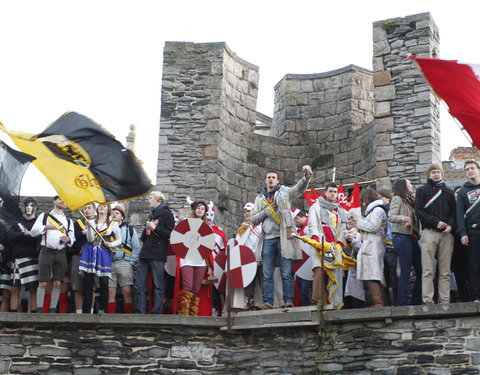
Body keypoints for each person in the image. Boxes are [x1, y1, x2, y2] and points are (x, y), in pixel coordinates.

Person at [252, 166, 313, 310]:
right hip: (267, 239)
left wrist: (306, 178)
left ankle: (289, 300)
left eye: (273, 177)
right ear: (265, 180)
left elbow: (298, 189)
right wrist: (266, 212)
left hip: (284, 237)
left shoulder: (284, 192)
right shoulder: (260, 198)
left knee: (286, 272)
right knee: (267, 273)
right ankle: (268, 302)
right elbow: (254, 220)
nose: (271, 179)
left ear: (278, 180)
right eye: (269, 177)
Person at [415, 164, 456, 305]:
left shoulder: (449, 192)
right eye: (433, 172)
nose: (436, 174)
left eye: (438, 172)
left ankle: (444, 299)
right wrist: (436, 222)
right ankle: (428, 299)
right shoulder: (422, 190)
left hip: (446, 235)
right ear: (428, 174)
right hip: (429, 232)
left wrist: (450, 225)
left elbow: (453, 212)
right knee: (427, 269)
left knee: (445, 271)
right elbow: (419, 211)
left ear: (442, 174)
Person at [30, 195, 75, 313]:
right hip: (46, 251)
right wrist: (46, 227)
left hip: (61, 252)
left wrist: (68, 240)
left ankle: (53, 309)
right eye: (60, 199)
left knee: (58, 282)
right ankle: (39, 309)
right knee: (43, 281)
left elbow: (72, 238)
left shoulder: (69, 220)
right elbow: (33, 232)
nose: (62, 201)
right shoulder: (44, 216)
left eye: (64, 200)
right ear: (54, 201)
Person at [134, 191, 175, 314]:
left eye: (151, 198)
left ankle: (156, 312)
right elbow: (144, 237)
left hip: (158, 254)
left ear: (158, 199)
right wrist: (148, 228)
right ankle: (139, 312)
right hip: (145, 253)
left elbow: (171, 234)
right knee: (138, 284)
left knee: (158, 285)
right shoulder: (151, 215)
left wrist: (155, 228)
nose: (148, 200)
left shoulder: (167, 214)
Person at [307, 182, 347, 309]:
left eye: (335, 192)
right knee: (320, 273)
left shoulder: (340, 209)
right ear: (325, 192)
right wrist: (316, 240)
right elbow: (312, 225)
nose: (333, 194)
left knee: (335, 275)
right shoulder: (316, 207)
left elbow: (343, 228)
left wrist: (340, 243)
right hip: (320, 244)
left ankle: (335, 304)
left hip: (334, 247)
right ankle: (319, 303)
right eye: (330, 191)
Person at [79, 204, 121, 313]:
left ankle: (103, 311)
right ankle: (87, 312)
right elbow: (90, 238)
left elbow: (119, 240)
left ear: (108, 209)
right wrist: (88, 227)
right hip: (90, 252)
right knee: (88, 281)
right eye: (100, 206)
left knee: (104, 282)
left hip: (104, 252)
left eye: (104, 206)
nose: (102, 207)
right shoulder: (92, 222)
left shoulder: (113, 223)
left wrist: (111, 244)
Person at [389, 179, 422, 306]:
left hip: (412, 237)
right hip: (402, 237)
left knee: (421, 269)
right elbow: (391, 216)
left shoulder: (410, 201)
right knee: (406, 270)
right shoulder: (397, 199)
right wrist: (403, 218)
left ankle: (416, 299)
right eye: (410, 183)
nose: (412, 185)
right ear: (403, 186)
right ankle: (401, 303)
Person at [7, 197, 41, 313]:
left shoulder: (39, 223)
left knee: (33, 288)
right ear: (23, 207)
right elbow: (10, 236)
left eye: (31, 206)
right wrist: (25, 234)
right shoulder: (17, 223)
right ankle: (12, 315)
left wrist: (24, 236)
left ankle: (34, 315)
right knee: (15, 287)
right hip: (18, 259)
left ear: (35, 208)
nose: (29, 208)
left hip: (33, 259)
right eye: (27, 205)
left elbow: (38, 238)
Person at [355, 189, 387, 308]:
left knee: (372, 274)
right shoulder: (373, 211)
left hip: (374, 245)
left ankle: (378, 303)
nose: (363, 204)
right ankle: (379, 303)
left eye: (363, 201)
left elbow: (373, 227)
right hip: (372, 245)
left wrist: (359, 223)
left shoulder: (377, 210)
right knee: (372, 274)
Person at [108, 205, 140, 314]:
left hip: (124, 262)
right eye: (112, 213)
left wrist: (131, 263)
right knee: (110, 292)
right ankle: (109, 317)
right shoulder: (106, 229)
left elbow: (136, 247)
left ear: (122, 217)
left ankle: (129, 317)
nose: (114, 215)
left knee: (127, 291)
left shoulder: (130, 230)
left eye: (117, 213)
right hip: (109, 263)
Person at [456, 160, 480, 302]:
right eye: (467, 169)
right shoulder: (464, 191)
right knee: (474, 266)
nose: (470, 171)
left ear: (478, 169)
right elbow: (460, 214)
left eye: (472, 168)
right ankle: (476, 297)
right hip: (472, 233)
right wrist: (463, 233)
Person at [234, 202, 262, 310]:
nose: (246, 214)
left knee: (263, 282)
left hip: (260, 258)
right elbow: (238, 243)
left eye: (249, 211)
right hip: (247, 260)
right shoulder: (243, 227)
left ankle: (263, 303)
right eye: (245, 212)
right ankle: (249, 302)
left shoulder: (261, 226)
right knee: (249, 283)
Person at [70, 203, 96, 313]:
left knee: (93, 286)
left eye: (89, 208)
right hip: (79, 256)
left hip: (93, 257)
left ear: (94, 210)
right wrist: (82, 232)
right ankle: (79, 313)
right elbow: (72, 239)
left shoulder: (99, 223)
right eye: (84, 208)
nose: (86, 210)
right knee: (78, 286)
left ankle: (90, 311)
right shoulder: (78, 223)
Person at [377, 189, 397, 306]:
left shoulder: (389, 211)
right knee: (385, 279)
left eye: (381, 198)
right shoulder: (378, 211)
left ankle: (394, 304)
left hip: (390, 248)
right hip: (382, 249)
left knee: (392, 278)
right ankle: (388, 303)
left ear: (387, 198)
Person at [451, 186, 470, 302]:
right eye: (456, 192)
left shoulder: (468, 207)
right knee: (459, 274)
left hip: (468, 244)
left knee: (472, 271)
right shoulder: (452, 209)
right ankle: (464, 299)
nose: (458, 194)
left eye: (460, 192)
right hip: (455, 246)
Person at [291, 209, 312, 306]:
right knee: (301, 287)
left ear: (296, 218)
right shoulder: (300, 230)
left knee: (305, 288)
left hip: (310, 263)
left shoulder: (310, 225)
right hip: (301, 263)